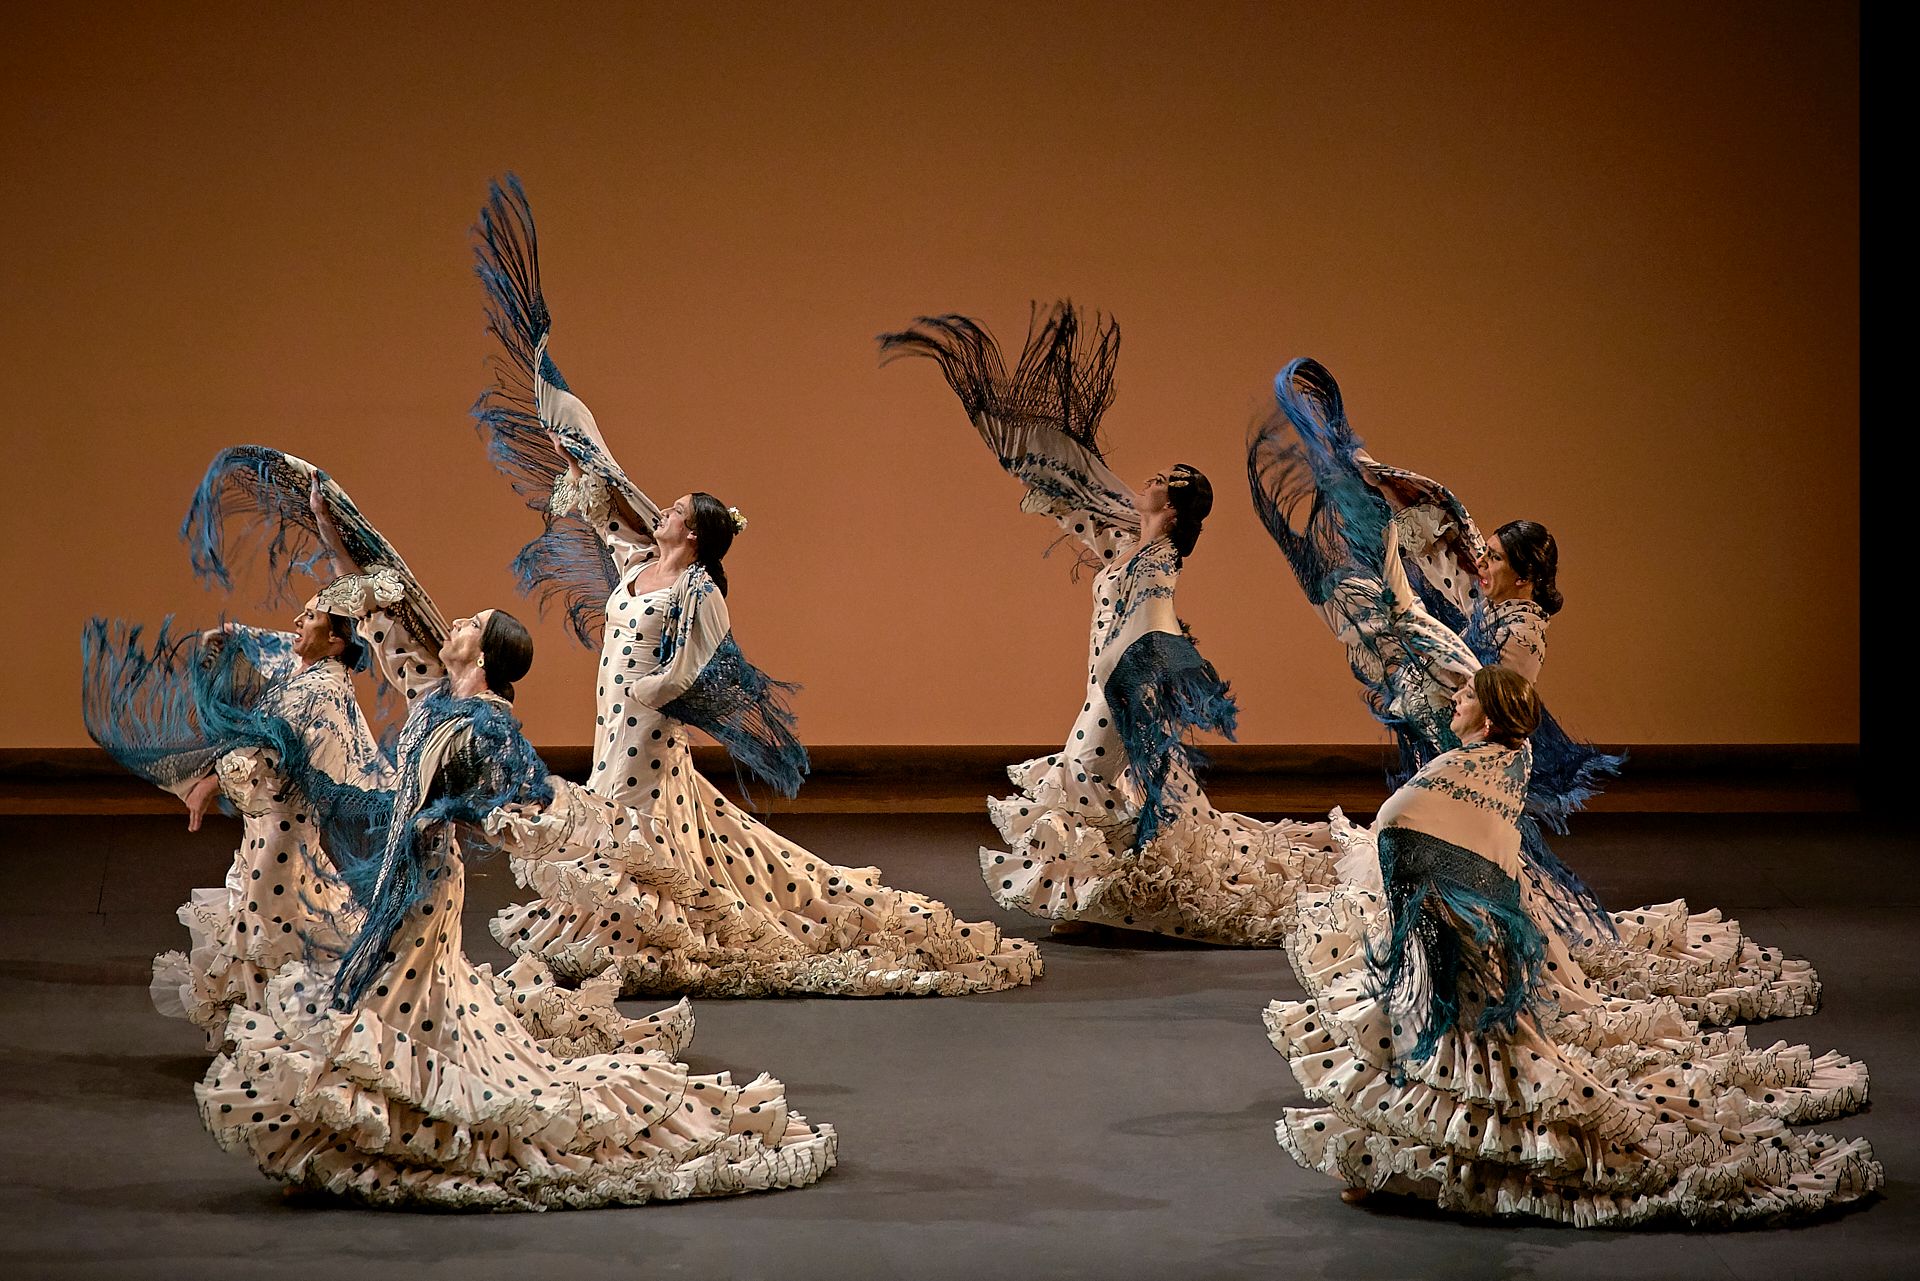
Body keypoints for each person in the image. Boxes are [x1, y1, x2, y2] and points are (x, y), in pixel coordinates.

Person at [181, 448, 835, 1208]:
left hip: (426, 886)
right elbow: (395, 616)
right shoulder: (435, 691)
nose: (452, 625)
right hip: (401, 874)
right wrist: (336, 527)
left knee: (400, 1003)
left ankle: (417, 1125)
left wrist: (578, 837)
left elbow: (519, 807)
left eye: (470, 624)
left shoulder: (488, 726)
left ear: (484, 656)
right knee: (386, 999)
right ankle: (387, 1120)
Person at [464, 175, 1038, 996]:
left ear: (693, 533)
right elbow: (607, 499)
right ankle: (618, 929)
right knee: (616, 827)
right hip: (612, 727)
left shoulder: (699, 592)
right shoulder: (639, 566)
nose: (658, 511)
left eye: (673, 510)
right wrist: (571, 443)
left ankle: (651, 936)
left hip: (646, 732)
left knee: (635, 832)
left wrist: (650, 689)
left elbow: (699, 665)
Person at [1250, 357, 1820, 1024]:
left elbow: (1501, 698)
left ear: (1522, 574)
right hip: (1461, 734)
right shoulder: (1494, 607)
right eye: (1485, 556)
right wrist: (1366, 471)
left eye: (1494, 559)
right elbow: (1444, 533)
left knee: (1459, 857)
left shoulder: (1522, 629)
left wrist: (1430, 661)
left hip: (1486, 754)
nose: (1481, 564)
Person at [1266, 666, 1878, 1225]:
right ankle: (1401, 1160)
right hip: (1456, 923)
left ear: (1493, 714)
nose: (1454, 697)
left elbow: (1428, 827)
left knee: (1465, 1047)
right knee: (1435, 1039)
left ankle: (1453, 1165)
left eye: (1467, 694)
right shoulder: (1500, 759)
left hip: (1462, 927)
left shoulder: (1483, 766)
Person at [880, 303, 1334, 943]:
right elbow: (1081, 510)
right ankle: (1118, 892)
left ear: (1173, 509)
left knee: (1082, 781)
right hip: (1106, 687)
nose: (1146, 482)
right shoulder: (1131, 546)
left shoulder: (1159, 562)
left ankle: (1119, 897)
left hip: (1120, 691)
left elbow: (1154, 627)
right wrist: (1029, 455)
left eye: (1161, 483)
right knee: (1104, 788)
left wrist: (1140, 687)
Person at [84, 595, 384, 1047]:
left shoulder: (324, 691)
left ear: (337, 641)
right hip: (261, 824)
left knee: (264, 922)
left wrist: (210, 783)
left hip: (284, 829)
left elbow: (273, 754)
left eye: (312, 618)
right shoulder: (306, 667)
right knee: (272, 916)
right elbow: (276, 644)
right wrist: (230, 638)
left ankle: (277, 1038)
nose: (298, 622)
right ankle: (273, 1029)